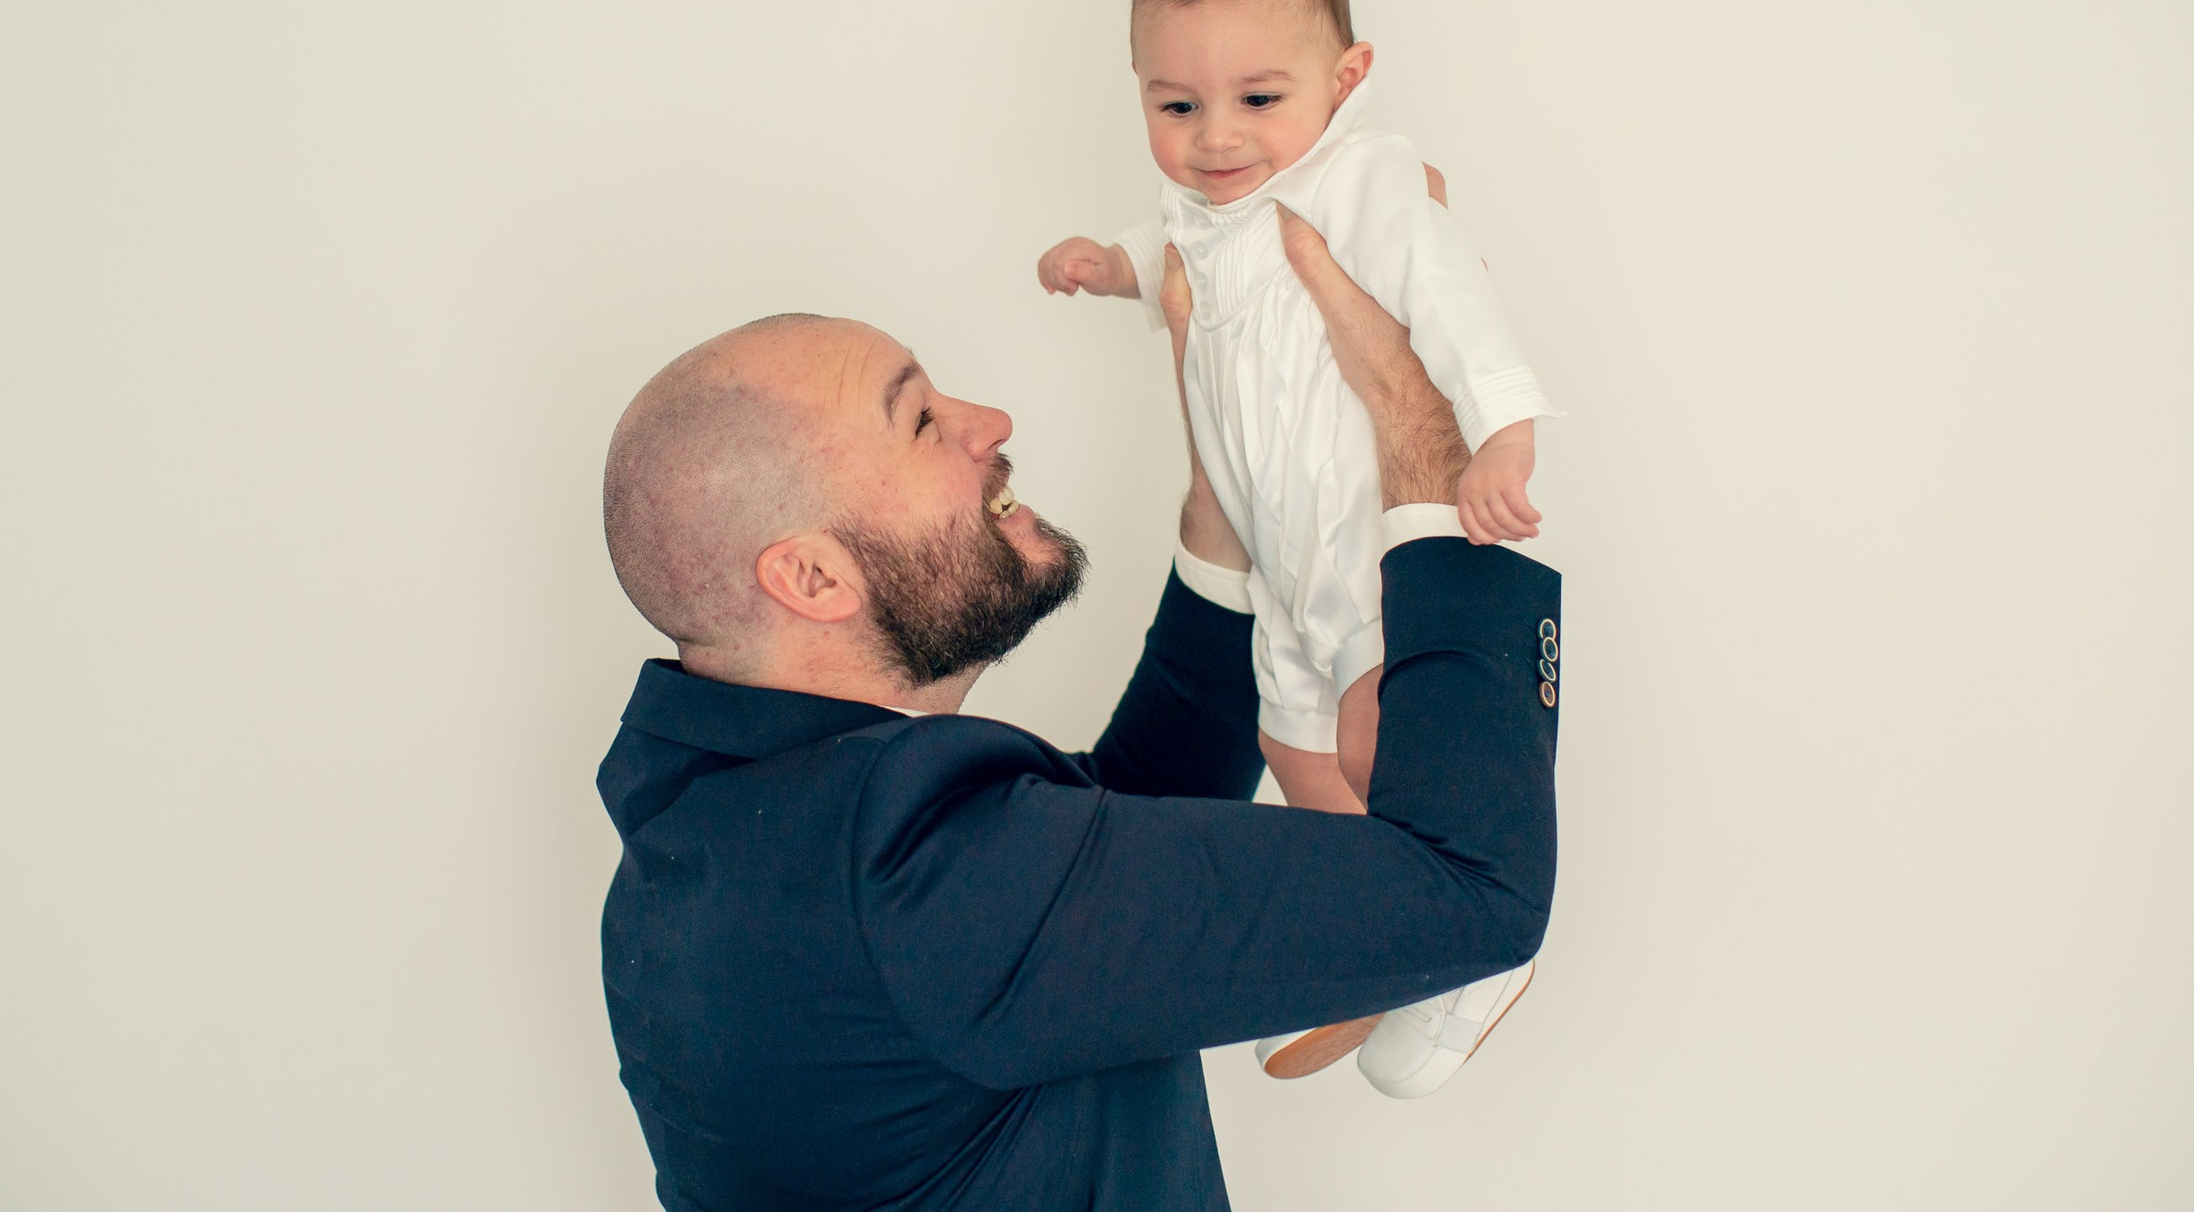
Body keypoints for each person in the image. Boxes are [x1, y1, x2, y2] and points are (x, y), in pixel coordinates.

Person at [593, 221, 1562, 1210]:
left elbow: (1100, 852)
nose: (989, 421)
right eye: (920, 421)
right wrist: (1424, 433)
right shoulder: (904, 877)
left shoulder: (722, 831)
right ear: (809, 575)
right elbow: (1474, 884)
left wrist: (1227, 487)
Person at [1035, 0, 1562, 1092]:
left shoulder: (1367, 183)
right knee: (1290, 738)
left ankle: (1472, 941)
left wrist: (1505, 437)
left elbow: (1456, 305)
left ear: (1347, 75)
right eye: (1176, 107)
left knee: (1384, 744)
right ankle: (1362, 948)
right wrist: (1107, 265)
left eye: (1257, 100)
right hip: (1281, 564)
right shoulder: (1197, 209)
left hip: (1370, 546)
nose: (1216, 137)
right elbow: (1162, 249)